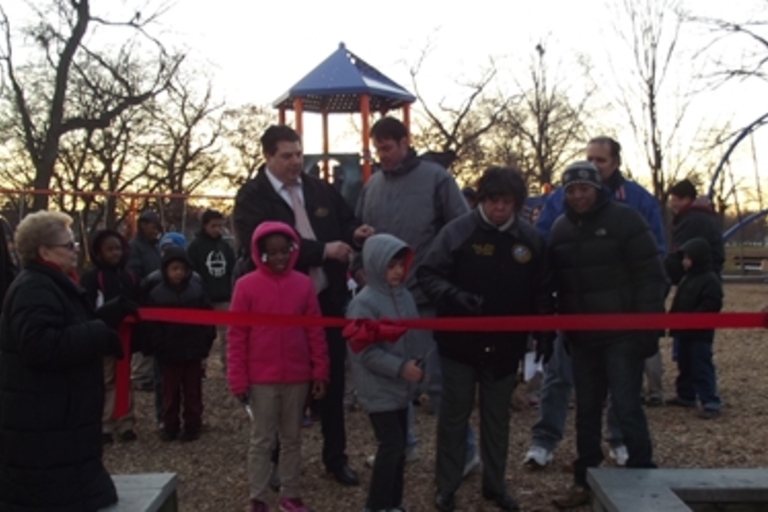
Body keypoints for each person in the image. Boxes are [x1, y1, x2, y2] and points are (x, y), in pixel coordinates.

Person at [233, 125, 369, 486]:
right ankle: (277, 460)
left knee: (332, 379)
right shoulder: (252, 198)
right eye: (286, 156)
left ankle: (335, 458)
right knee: (281, 383)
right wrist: (323, 250)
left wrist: (354, 233)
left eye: (298, 153)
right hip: (280, 307)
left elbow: (344, 219)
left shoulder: (318, 189)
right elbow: (262, 246)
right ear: (267, 157)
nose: (295, 161)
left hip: (326, 299)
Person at [524, 136, 667, 469]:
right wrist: (546, 324)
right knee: (576, 398)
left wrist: (648, 325)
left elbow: (652, 270)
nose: (578, 195)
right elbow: (547, 268)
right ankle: (570, 459)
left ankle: (633, 459)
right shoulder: (559, 221)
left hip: (622, 329)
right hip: (579, 329)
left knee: (626, 399)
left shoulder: (631, 211)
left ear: (613, 165)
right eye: (572, 190)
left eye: (600, 161)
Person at [418, 167, 555, 512]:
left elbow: (542, 289)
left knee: (497, 420)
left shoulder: (529, 239)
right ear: (482, 200)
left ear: (516, 204)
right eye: (493, 201)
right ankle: (446, 486)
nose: (499, 208)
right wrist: (453, 296)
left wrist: (544, 332)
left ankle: (495, 486)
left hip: (506, 345)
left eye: (506, 202)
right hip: (459, 344)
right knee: (454, 417)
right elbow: (428, 273)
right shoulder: (457, 232)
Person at [355, 116, 477, 472]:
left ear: (405, 143)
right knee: (394, 377)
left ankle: (465, 451)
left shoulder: (437, 179)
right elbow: (359, 230)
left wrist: (447, 281)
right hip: (384, 299)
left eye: (387, 148)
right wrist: (358, 252)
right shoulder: (372, 186)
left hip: (425, 297)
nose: (382, 155)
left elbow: (461, 229)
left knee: (436, 379)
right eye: (377, 149)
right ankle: (403, 443)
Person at [0, 211, 135, 512]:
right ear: (44, 251)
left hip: (59, 421)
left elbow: (66, 329)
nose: (75, 250)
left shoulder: (54, 283)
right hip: (45, 427)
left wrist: (106, 317)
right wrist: (97, 331)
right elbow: (39, 346)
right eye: (68, 245)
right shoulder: (34, 288)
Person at [228, 221, 329, 512]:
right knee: (262, 439)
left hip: (297, 376)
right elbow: (236, 336)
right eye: (272, 252)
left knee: (292, 438)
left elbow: (315, 331)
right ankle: (259, 497)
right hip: (261, 378)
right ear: (260, 253)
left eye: (284, 251)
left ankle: (291, 494)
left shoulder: (303, 284)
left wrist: (319, 370)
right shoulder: (246, 286)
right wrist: (237, 378)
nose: (279, 257)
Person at [346, 234, 426, 512]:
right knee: (391, 445)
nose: (398, 271)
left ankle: (394, 502)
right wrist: (400, 368)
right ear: (375, 265)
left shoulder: (405, 296)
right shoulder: (363, 304)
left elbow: (414, 335)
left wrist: (418, 366)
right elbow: (364, 352)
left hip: (402, 388)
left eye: (401, 265)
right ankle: (376, 505)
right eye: (391, 266)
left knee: (399, 447)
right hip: (378, 389)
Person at [145, 246, 215, 442]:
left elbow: (207, 318)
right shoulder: (156, 294)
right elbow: (151, 325)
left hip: (193, 351)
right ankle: (170, 426)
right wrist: (158, 346)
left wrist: (205, 342)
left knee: (193, 392)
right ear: (165, 270)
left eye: (182, 268)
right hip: (169, 353)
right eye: (174, 268)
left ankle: (193, 424)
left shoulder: (197, 290)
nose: (178, 273)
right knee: (170, 393)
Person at [81, 229, 140, 444]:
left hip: (126, 337)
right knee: (106, 380)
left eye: (117, 248)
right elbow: (88, 310)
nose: (115, 253)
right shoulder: (92, 278)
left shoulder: (130, 276)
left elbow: (139, 303)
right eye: (109, 249)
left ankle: (126, 421)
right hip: (104, 337)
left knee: (125, 379)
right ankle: (105, 423)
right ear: (99, 253)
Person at [666, 237, 723, 419]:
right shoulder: (687, 278)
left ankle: (710, 401)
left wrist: (692, 319)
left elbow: (711, 304)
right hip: (685, 331)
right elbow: (679, 302)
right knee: (685, 364)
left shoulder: (710, 280)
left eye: (688, 258)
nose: (684, 261)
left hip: (699, 333)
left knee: (701, 366)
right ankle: (686, 394)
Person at [187, 209, 236, 373]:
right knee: (201, 336)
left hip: (223, 297)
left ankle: (229, 367)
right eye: (213, 226)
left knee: (228, 337)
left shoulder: (225, 247)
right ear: (205, 226)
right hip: (203, 299)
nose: (217, 229)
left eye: (220, 226)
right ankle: (199, 367)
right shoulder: (195, 247)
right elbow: (191, 273)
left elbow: (231, 270)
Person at [128, 210, 163, 392]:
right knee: (143, 336)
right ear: (143, 226)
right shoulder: (136, 248)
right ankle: (140, 375)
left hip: (153, 296)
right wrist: (146, 283)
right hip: (143, 297)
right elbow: (133, 273)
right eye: (153, 227)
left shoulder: (152, 247)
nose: (155, 231)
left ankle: (147, 374)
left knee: (151, 336)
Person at [664, 179, 725, 284]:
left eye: (674, 200)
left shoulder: (691, 220)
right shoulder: (704, 216)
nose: (672, 204)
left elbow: (680, 251)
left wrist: (663, 271)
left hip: (698, 276)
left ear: (686, 199)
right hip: (709, 274)